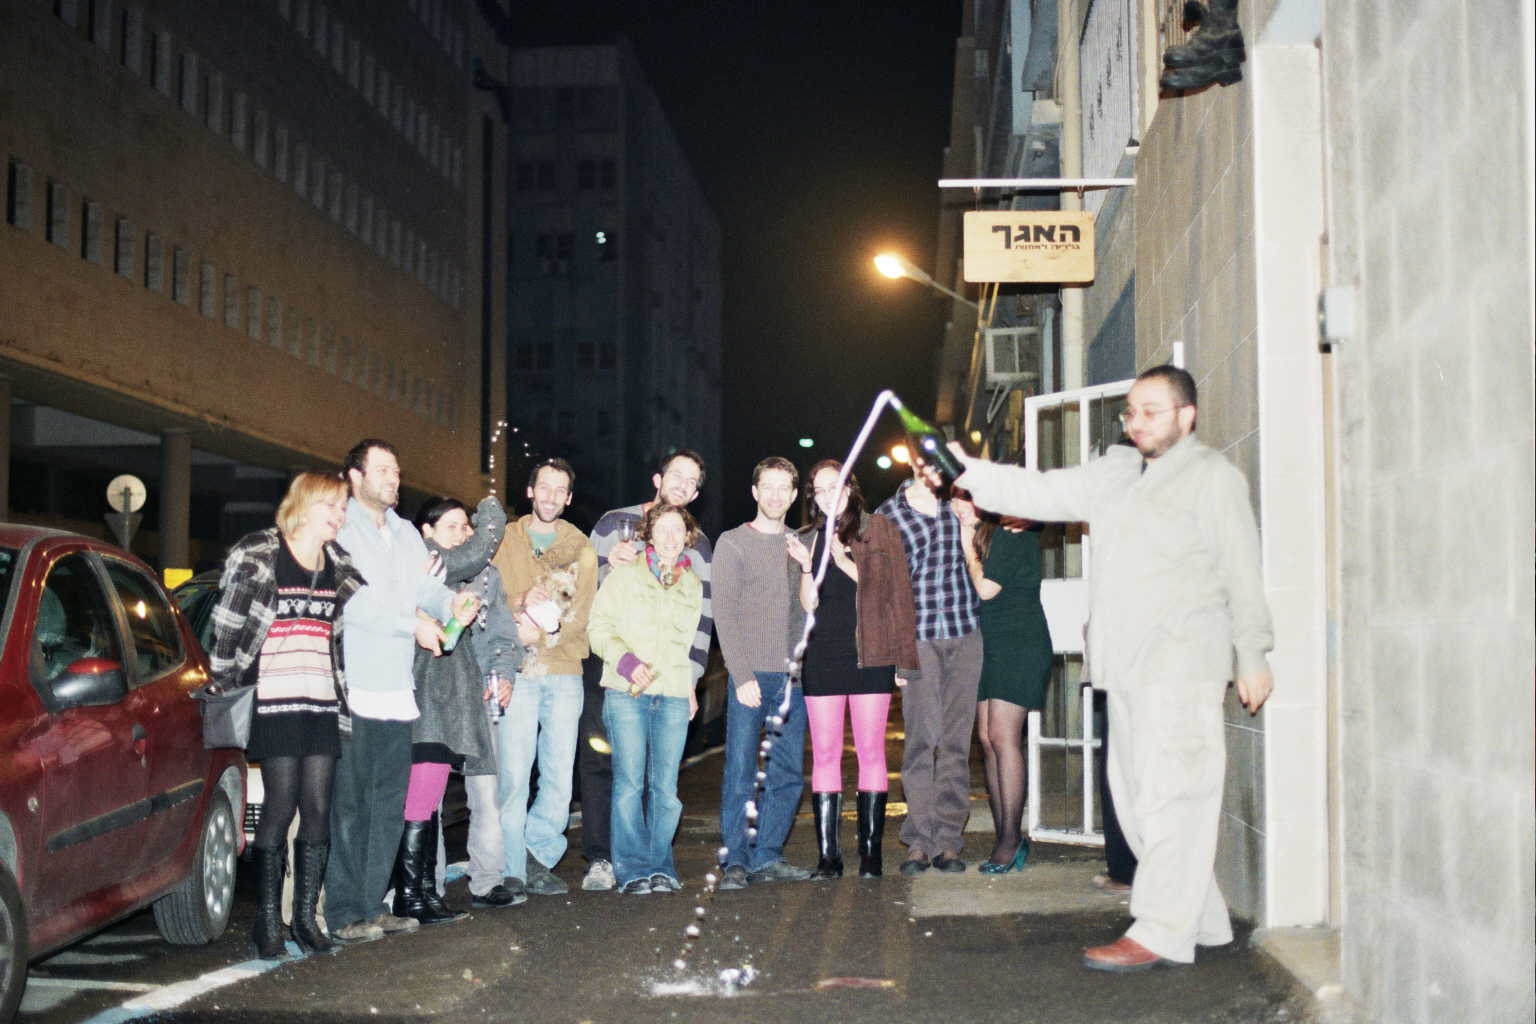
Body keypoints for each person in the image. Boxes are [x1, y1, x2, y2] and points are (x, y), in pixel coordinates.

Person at [948, 364, 1274, 971]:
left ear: (1186, 416)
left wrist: (1252, 652)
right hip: (1122, 666)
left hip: (1181, 662)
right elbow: (1041, 493)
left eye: (1152, 410)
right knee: (1138, 802)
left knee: (1174, 797)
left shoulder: (1211, 478)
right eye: (1131, 411)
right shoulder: (1116, 473)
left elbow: (1241, 568)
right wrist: (966, 471)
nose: (1137, 421)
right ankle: (1201, 919)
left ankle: (1161, 929)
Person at [325, 439, 479, 944]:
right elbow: (352, 602)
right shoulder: (339, 527)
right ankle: (343, 911)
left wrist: (452, 603)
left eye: (396, 470)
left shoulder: (407, 532)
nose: (394, 479)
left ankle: (373, 905)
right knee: (351, 804)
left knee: (389, 802)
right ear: (355, 476)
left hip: (397, 688)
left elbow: (424, 589)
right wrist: (411, 625)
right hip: (353, 686)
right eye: (383, 470)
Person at [207, 471, 362, 958]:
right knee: (279, 806)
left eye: (342, 507)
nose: (339, 515)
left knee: (317, 810)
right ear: (305, 505)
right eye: (330, 506)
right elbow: (226, 627)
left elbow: (336, 639)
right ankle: (268, 921)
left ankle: (305, 920)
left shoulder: (338, 564)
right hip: (274, 699)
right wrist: (224, 684)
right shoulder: (261, 554)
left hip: (321, 700)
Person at [577, 449, 712, 891]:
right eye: (663, 530)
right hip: (624, 689)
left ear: (687, 537)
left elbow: (695, 637)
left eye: (679, 531)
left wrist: (691, 685)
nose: (671, 537)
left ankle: (661, 865)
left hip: (672, 693)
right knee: (628, 783)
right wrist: (626, 661)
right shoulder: (624, 568)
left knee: (666, 789)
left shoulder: (692, 583)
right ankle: (631, 868)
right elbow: (596, 620)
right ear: (647, 533)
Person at [786, 460, 918, 879]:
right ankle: (829, 858)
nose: (828, 496)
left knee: (871, 751)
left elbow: (893, 591)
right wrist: (807, 565)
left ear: (850, 488)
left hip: (871, 653)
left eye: (835, 486)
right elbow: (808, 603)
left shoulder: (879, 529)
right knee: (825, 754)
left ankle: (870, 855)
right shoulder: (807, 537)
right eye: (820, 490)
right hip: (823, 654)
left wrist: (840, 556)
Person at [396, 496, 516, 923]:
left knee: (464, 795)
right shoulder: (425, 563)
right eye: (452, 526)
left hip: (465, 696)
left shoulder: (485, 575)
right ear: (425, 532)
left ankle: (432, 892)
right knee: (423, 798)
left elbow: (502, 631)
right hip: (427, 696)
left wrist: (503, 671)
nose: (463, 534)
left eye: (467, 526)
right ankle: (418, 891)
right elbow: (476, 552)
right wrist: (490, 513)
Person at [487, 458, 598, 899]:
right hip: (517, 671)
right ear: (530, 491)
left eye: (560, 490)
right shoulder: (505, 539)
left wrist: (546, 634)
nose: (551, 497)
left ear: (568, 498)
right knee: (513, 774)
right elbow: (486, 596)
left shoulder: (580, 546)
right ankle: (513, 867)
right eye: (544, 488)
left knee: (558, 777)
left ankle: (537, 853)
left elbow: (583, 614)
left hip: (564, 670)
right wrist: (519, 601)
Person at [876, 459, 981, 876]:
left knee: (956, 743)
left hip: (965, 632)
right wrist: (895, 653)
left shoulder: (963, 502)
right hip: (918, 639)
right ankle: (919, 839)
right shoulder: (889, 514)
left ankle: (948, 840)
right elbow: (882, 589)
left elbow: (981, 559)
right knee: (922, 740)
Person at [713, 457, 810, 891]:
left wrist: (807, 565)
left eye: (783, 488)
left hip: (792, 678)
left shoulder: (799, 544)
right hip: (750, 676)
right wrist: (741, 675)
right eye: (767, 486)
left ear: (793, 495)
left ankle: (768, 855)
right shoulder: (733, 543)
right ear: (754, 492)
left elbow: (810, 607)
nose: (774, 495)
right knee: (740, 770)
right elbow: (724, 612)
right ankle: (735, 858)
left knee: (786, 773)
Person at [953, 495, 1052, 874]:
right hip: (990, 645)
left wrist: (967, 548)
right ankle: (1004, 835)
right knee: (987, 738)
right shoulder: (988, 537)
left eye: (967, 500)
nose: (960, 509)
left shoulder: (1013, 532)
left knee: (1003, 736)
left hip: (1019, 642)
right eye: (954, 501)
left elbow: (986, 589)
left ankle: (1011, 841)